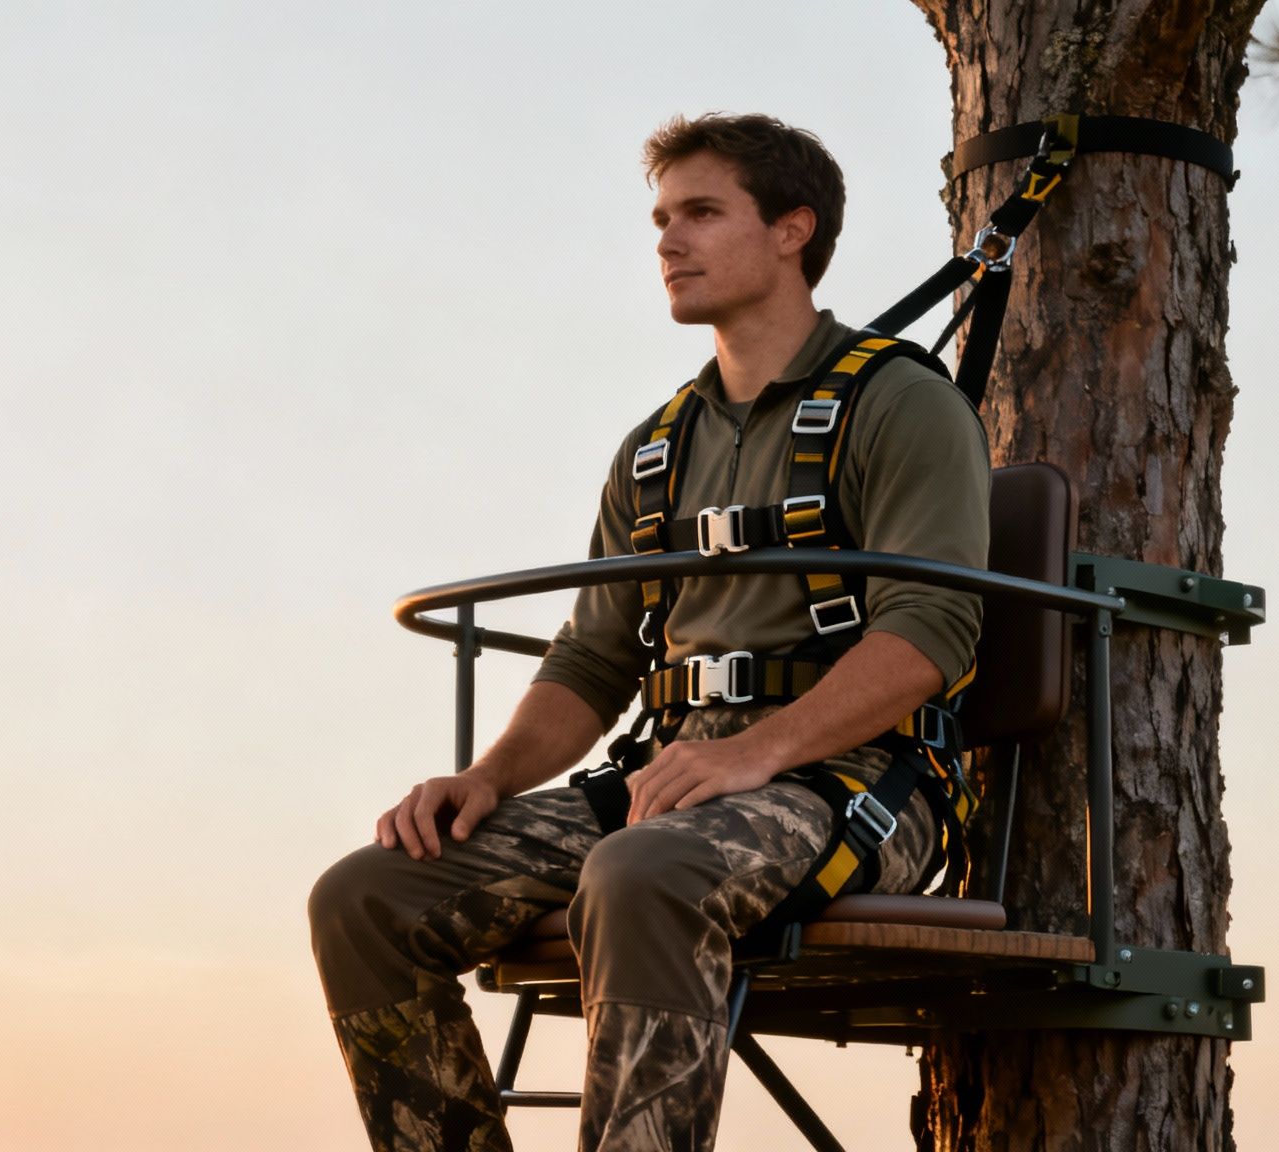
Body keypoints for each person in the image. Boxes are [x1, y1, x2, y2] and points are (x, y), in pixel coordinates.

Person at [308, 112, 990, 1152]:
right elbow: (593, 658)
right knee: (366, 894)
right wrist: (487, 778)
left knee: (639, 872)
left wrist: (750, 753)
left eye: (701, 213)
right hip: (666, 788)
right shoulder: (654, 449)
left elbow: (931, 632)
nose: (667, 241)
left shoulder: (899, 405)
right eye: (661, 218)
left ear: (790, 229)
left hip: (856, 789)